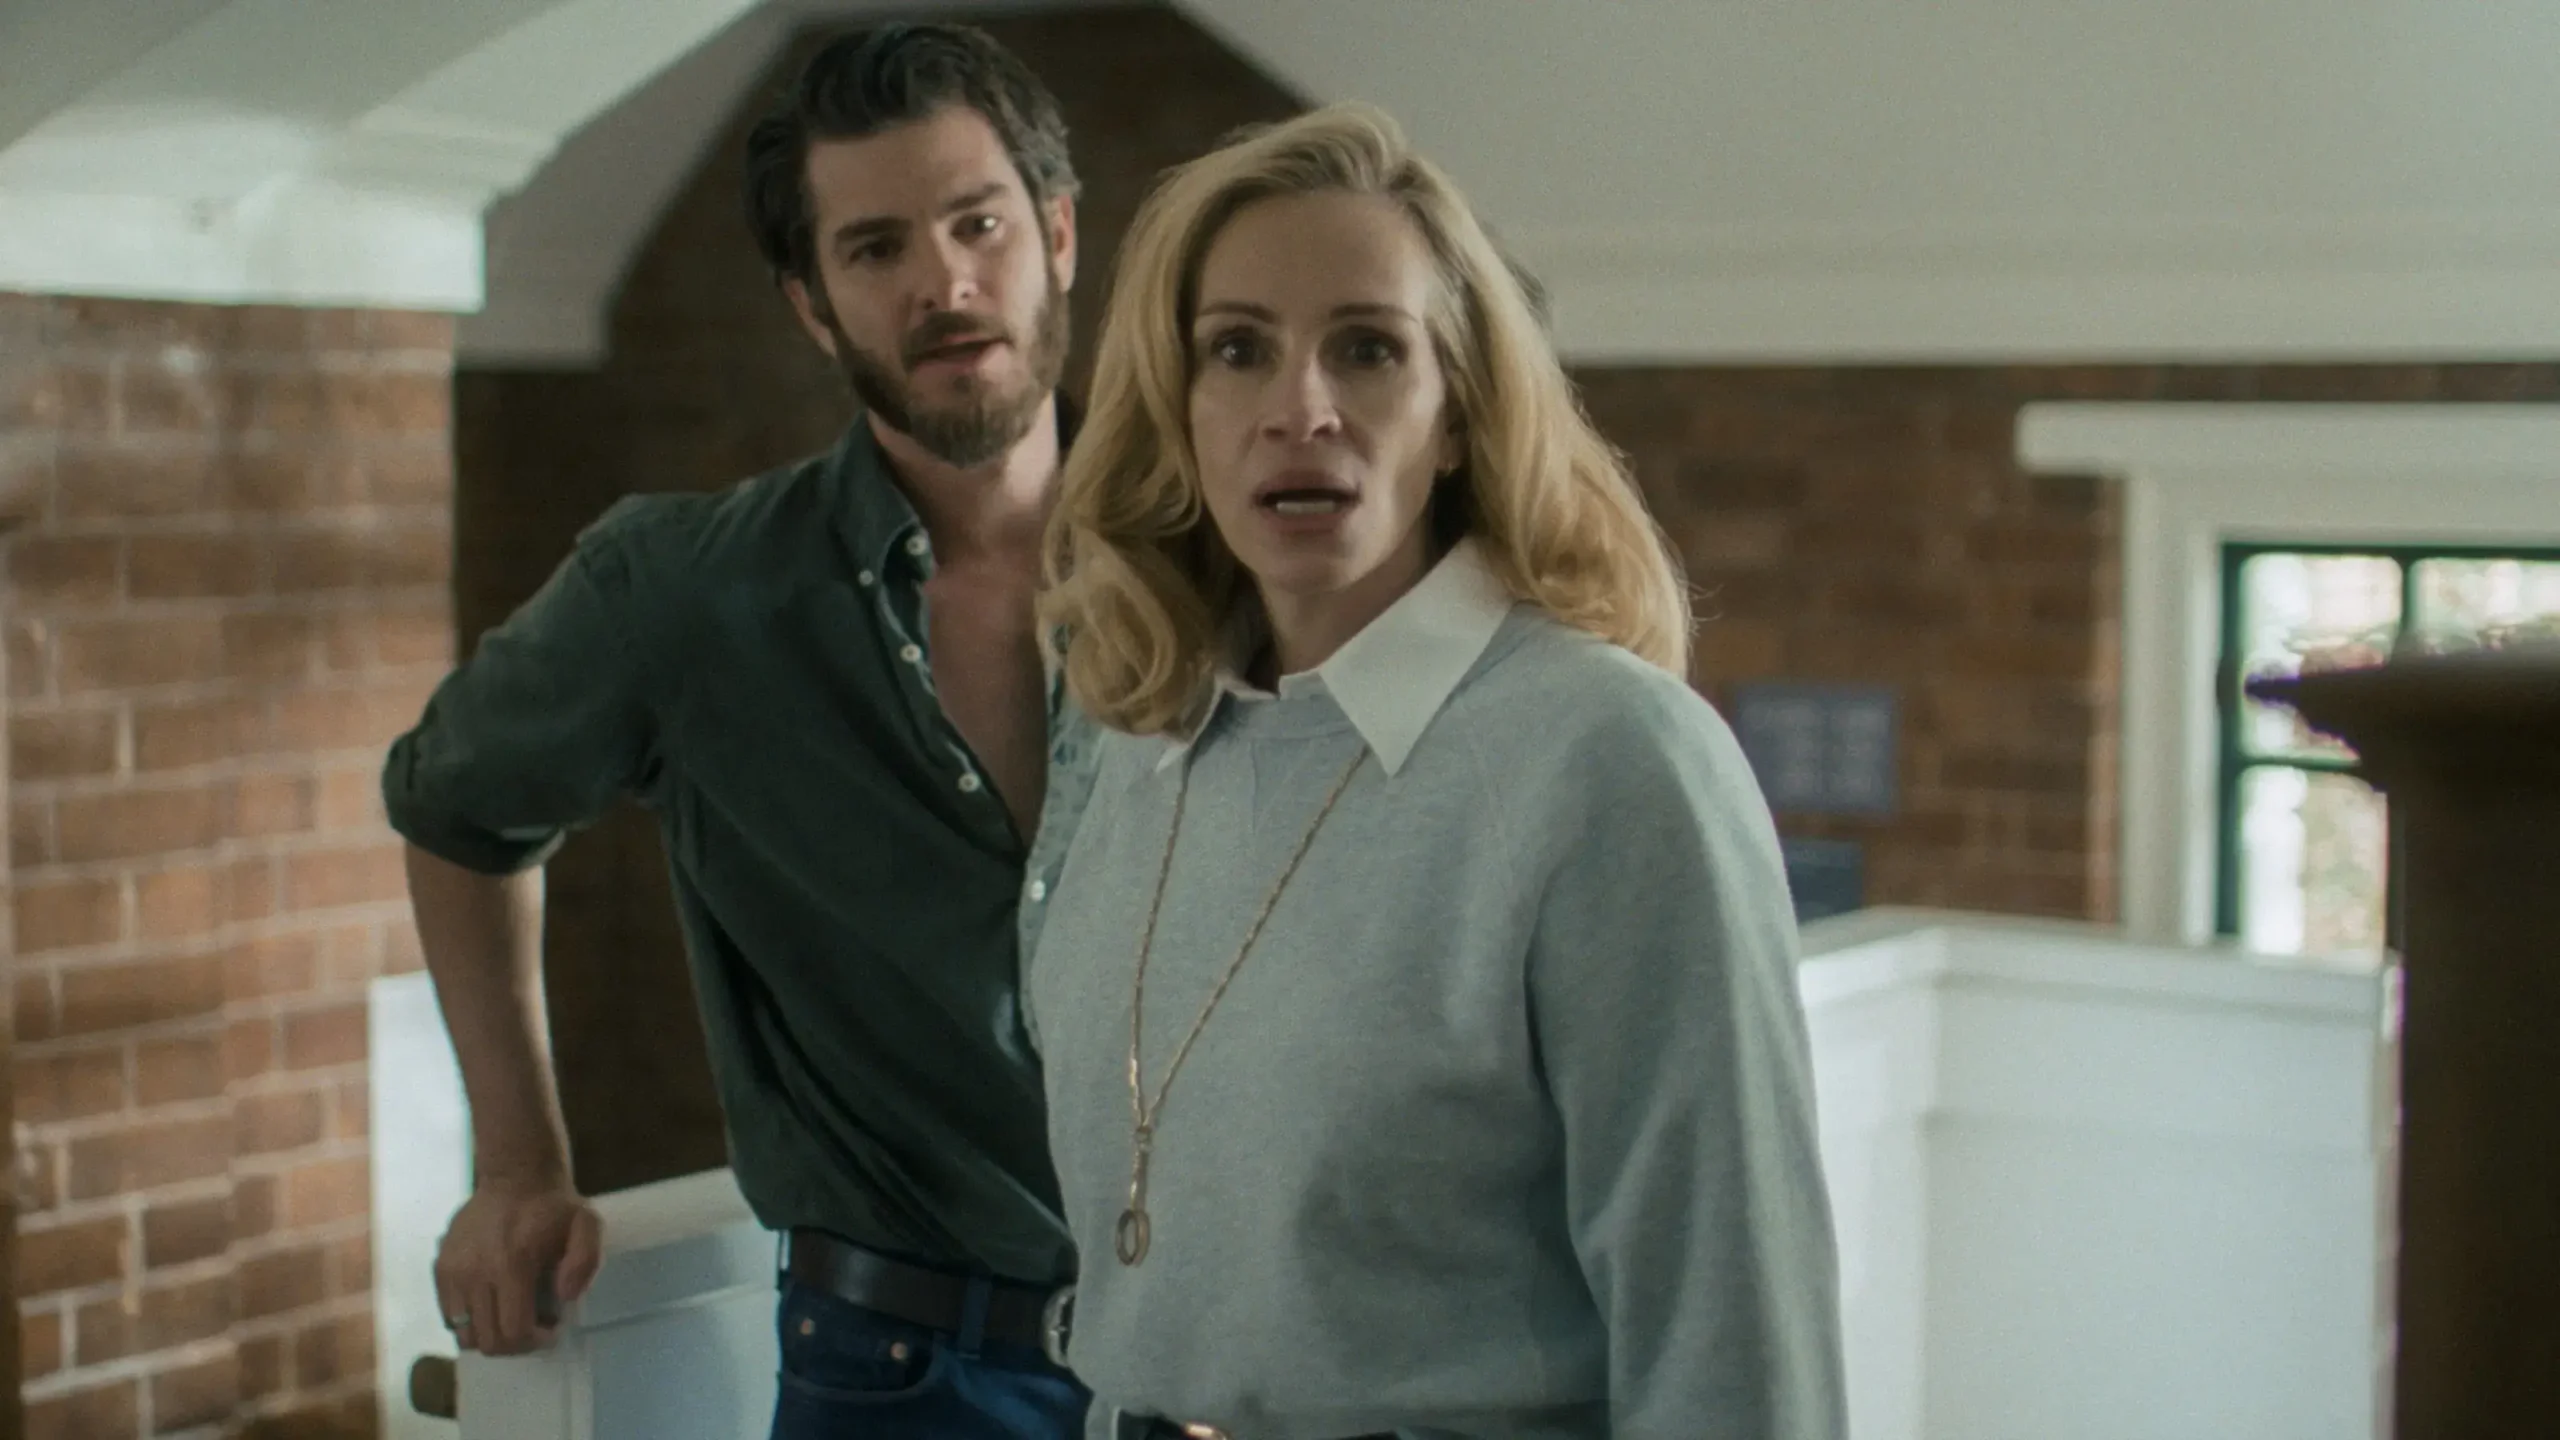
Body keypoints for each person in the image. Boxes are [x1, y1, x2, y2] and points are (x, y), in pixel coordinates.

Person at [1025, 103, 1849, 1440]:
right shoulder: (1140, 745)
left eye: (1368, 350)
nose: (1300, 410)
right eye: (1238, 349)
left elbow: (1731, 1330)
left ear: (1457, 412)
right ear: (1179, 412)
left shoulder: (1608, 758)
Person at [380, 23, 1101, 1439]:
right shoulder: (687, 593)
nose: (945, 282)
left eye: (979, 224)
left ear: (1058, 235)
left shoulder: (1225, 569)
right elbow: (456, 809)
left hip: (1239, 1359)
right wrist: (517, 1160)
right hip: (903, 1376)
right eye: (876, 248)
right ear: (813, 306)